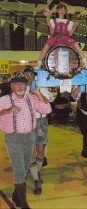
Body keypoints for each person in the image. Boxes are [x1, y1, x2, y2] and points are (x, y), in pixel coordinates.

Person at [0, 72, 51, 208]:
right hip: (13, 138)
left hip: (29, 137)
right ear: (11, 86)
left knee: (25, 167)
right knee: (19, 170)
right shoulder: (4, 100)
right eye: (16, 84)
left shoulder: (31, 98)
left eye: (22, 83)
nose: (19, 86)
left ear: (26, 85)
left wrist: (39, 93)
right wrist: (6, 110)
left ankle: (16, 196)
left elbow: (47, 109)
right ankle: (23, 204)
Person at [23, 66, 54, 195]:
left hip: (41, 121)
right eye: (27, 74)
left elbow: (50, 100)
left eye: (31, 74)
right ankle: (36, 179)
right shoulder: (21, 88)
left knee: (40, 150)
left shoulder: (41, 86)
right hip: (27, 121)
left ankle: (35, 171)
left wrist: (39, 92)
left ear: (35, 75)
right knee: (30, 152)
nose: (29, 76)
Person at [34, 3, 87, 69]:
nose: (62, 11)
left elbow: (70, 34)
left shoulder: (69, 22)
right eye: (60, 9)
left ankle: (85, 63)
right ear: (57, 11)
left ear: (66, 11)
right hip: (55, 37)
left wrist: (74, 27)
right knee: (46, 45)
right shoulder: (52, 21)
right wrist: (50, 26)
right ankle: (39, 63)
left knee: (76, 44)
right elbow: (52, 33)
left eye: (64, 10)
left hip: (65, 37)